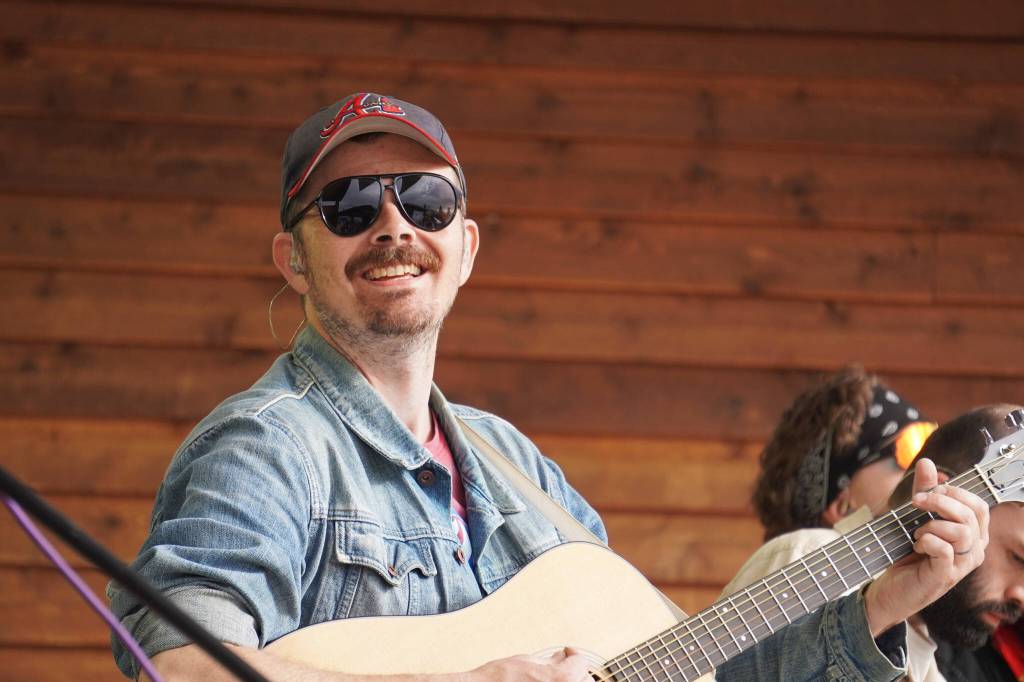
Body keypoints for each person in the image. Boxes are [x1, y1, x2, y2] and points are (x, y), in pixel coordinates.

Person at [108, 93, 988, 682]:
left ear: (465, 248)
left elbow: (680, 668)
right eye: (348, 206)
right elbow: (179, 664)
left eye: (424, 200)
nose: (392, 226)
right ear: (292, 260)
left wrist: (882, 601)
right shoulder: (264, 448)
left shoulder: (516, 465)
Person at [887, 406, 1024, 682]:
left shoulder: (935, 652)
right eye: (1018, 558)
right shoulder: (807, 553)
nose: (1020, 596)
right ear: (943, 502)